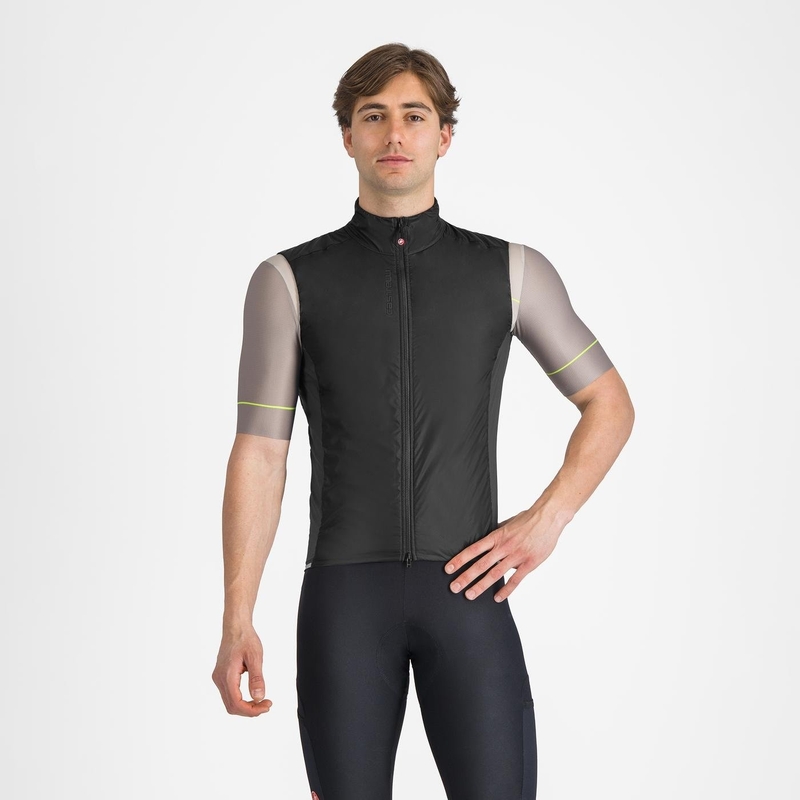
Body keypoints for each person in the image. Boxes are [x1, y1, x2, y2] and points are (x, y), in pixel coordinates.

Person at [212, 42, 635, 800]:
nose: (395, 134)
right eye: (373, 116)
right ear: (347, 137)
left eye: (414, 116)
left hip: (467, 597)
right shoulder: (288, 281)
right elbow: (261, 454)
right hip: (344, 603)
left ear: (445, 136)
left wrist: (547, 521)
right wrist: (236, 616)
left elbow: (609, 403)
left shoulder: (511, 272)